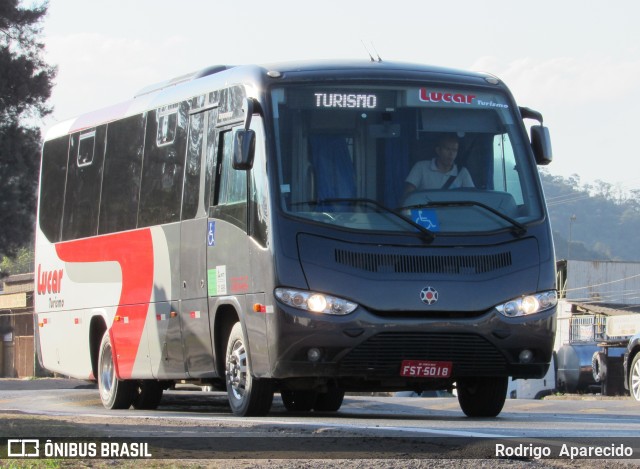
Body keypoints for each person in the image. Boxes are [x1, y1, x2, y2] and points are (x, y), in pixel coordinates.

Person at [404, 134, 474, 195]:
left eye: (454, 150)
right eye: (447, 149)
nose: (451, 154)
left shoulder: (462, 172)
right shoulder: (420, 167)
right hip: (427, 210)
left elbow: (472, 197)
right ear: (438, 150)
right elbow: (408, 196)